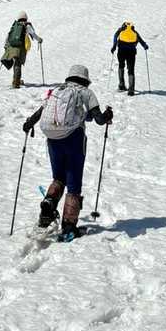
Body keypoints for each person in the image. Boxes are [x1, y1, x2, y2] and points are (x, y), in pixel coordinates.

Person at [23, 63, 112, 240]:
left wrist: (28, 124)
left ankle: (48, 206)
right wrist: (108, 115)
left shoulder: (58, 90)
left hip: (52, 139)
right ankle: (69, 226)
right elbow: (100, 120)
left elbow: (41, 112)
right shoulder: (86, 92)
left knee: (58, 177)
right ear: (85, 80)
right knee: (73, 183)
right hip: (73, 140)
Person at [2, 11, 41, 89]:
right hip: (20, 48)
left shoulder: (15, 26)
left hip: (12, 48)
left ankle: (15, 80)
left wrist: (6, 46)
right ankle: (16, 82)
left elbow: (8, 35)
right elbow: (33, 34)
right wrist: (39, 39)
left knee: (16, 64)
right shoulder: (26, 25)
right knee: (18, 64)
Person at [110, 21, 149, 95]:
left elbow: (115, 36)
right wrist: (145, 46)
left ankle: (121, 85)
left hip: (121, 51)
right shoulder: (134, 32)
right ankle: (131, 90)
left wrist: (114, 46)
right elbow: (141, 41)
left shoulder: (120, 30)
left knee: (121, 66)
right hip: (131, 52)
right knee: (131, 70)